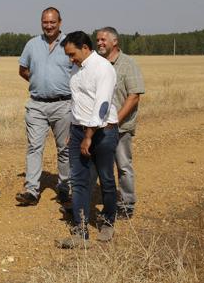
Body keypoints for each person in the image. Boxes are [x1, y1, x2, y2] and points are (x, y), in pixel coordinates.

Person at [56, 31, 119, 248]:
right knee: (79, 180)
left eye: (72, 54)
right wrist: (72, 131)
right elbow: (77, 102)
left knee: (106, 179)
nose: (70, 59)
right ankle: (81, 231)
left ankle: (109, 221)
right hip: (78, 130)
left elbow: (101, 106)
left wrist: (88, 137)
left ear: (85, 47)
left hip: (102, 132)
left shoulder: (103, 68)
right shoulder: (76, 68)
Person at [16, 7, 73, 206]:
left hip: (63, 104)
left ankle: (65, 187)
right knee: (34, 147)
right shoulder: (32, 44)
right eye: (45, 22)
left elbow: (78, 71)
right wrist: (39, 82)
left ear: (60, 22)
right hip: (37, 105)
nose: (48, 26)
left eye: (52, 22)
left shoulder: (69, 44)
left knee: (65, 148)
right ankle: (32, 190)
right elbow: (23, 69)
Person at [96, 27, 145, 219]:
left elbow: (134, 97)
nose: (99, 43)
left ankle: (127, 204)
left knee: (123, 166)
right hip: (99, 127)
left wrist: (115, 122)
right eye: (97, 40)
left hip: (120, 127)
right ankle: (97, 204)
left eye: (103, 40)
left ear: (114, 42)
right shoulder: (97, 64)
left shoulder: (127, 64)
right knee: (99, 167)